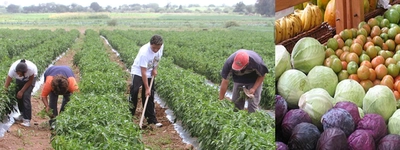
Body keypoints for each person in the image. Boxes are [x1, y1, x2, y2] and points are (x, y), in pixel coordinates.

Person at [129, 34, 164, 127]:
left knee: (149, 95)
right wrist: (147, 87)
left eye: (158, 48)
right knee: (134, 92)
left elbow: (157, 59)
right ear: (150, 44)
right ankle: (129, 116)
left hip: (149, 71)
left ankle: (151, 119)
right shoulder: (144, 52)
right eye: (154, 48)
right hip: (138, 72)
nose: (156, 50)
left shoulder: (161, 47)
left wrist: (155, 69)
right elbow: (143, 72)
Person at [4, 59, 38, 127]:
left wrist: (22, 91)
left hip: (30, 79)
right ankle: (22, 115)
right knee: (18, 96)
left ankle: (27, 119)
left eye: (20, 74)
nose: (19, 75)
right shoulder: (12, 70)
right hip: (21, 80)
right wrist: (4, 93)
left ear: (25, 72)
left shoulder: (31, 69)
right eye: (18, 73)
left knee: (26, 96)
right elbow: (7, 84)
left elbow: (30, 81)